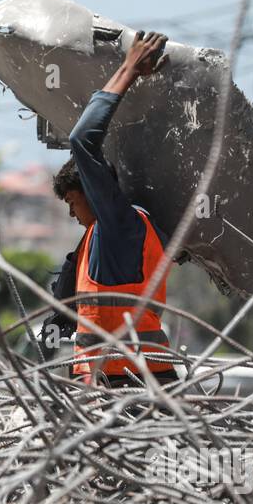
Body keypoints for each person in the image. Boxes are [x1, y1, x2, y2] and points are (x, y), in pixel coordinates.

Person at [41, 30, 177, 387]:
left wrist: (129, 68)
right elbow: (76, 310)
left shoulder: (119, 229)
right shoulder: (95, 243)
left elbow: (82, 141)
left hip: (130, 389)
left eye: (72, 202)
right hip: (127, 383)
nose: (72, 213)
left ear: (92, 191)